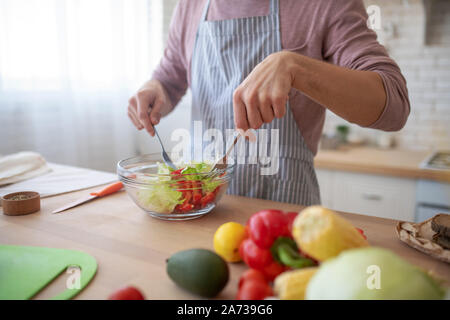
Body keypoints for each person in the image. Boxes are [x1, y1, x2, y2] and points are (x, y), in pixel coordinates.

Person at [127, 0, 410, 205]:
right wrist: (155, 88)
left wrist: (294, 67)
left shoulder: (326, 5)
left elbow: (394, 106)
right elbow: (172, 72)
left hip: (285, 214)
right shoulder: (190, 5)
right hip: (201, 207)